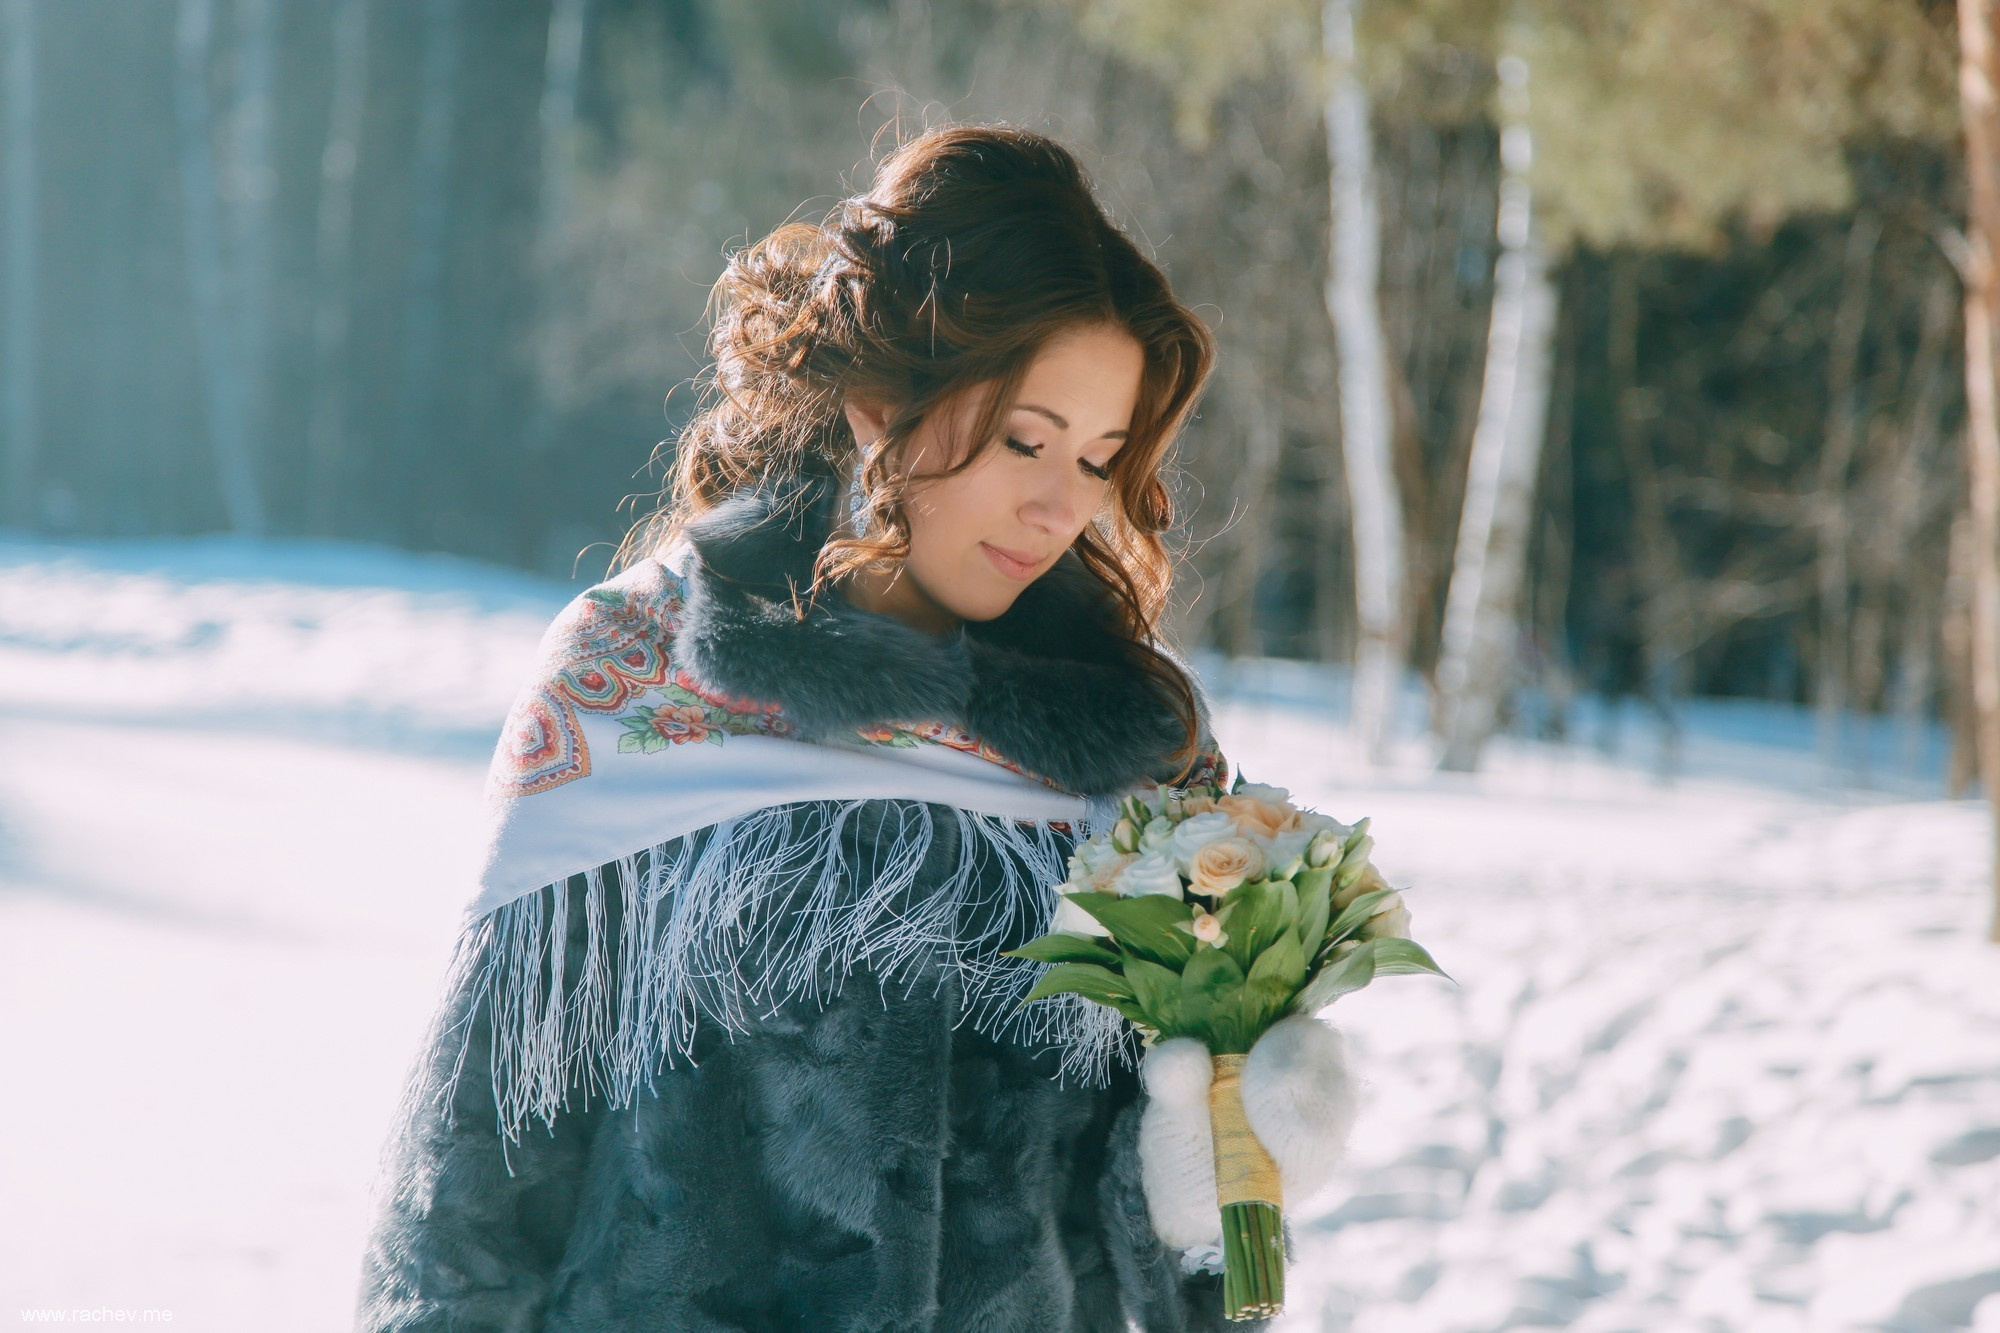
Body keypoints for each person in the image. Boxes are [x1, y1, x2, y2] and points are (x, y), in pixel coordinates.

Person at [353, 123, 1272, 1332]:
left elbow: (1225, 1252)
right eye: (1023, 441)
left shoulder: (1142, 748)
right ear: (879, 398)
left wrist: (1248, 1137)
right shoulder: (632, 679)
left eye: (1100, 459)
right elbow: (473, 1186)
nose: (1063, 504)